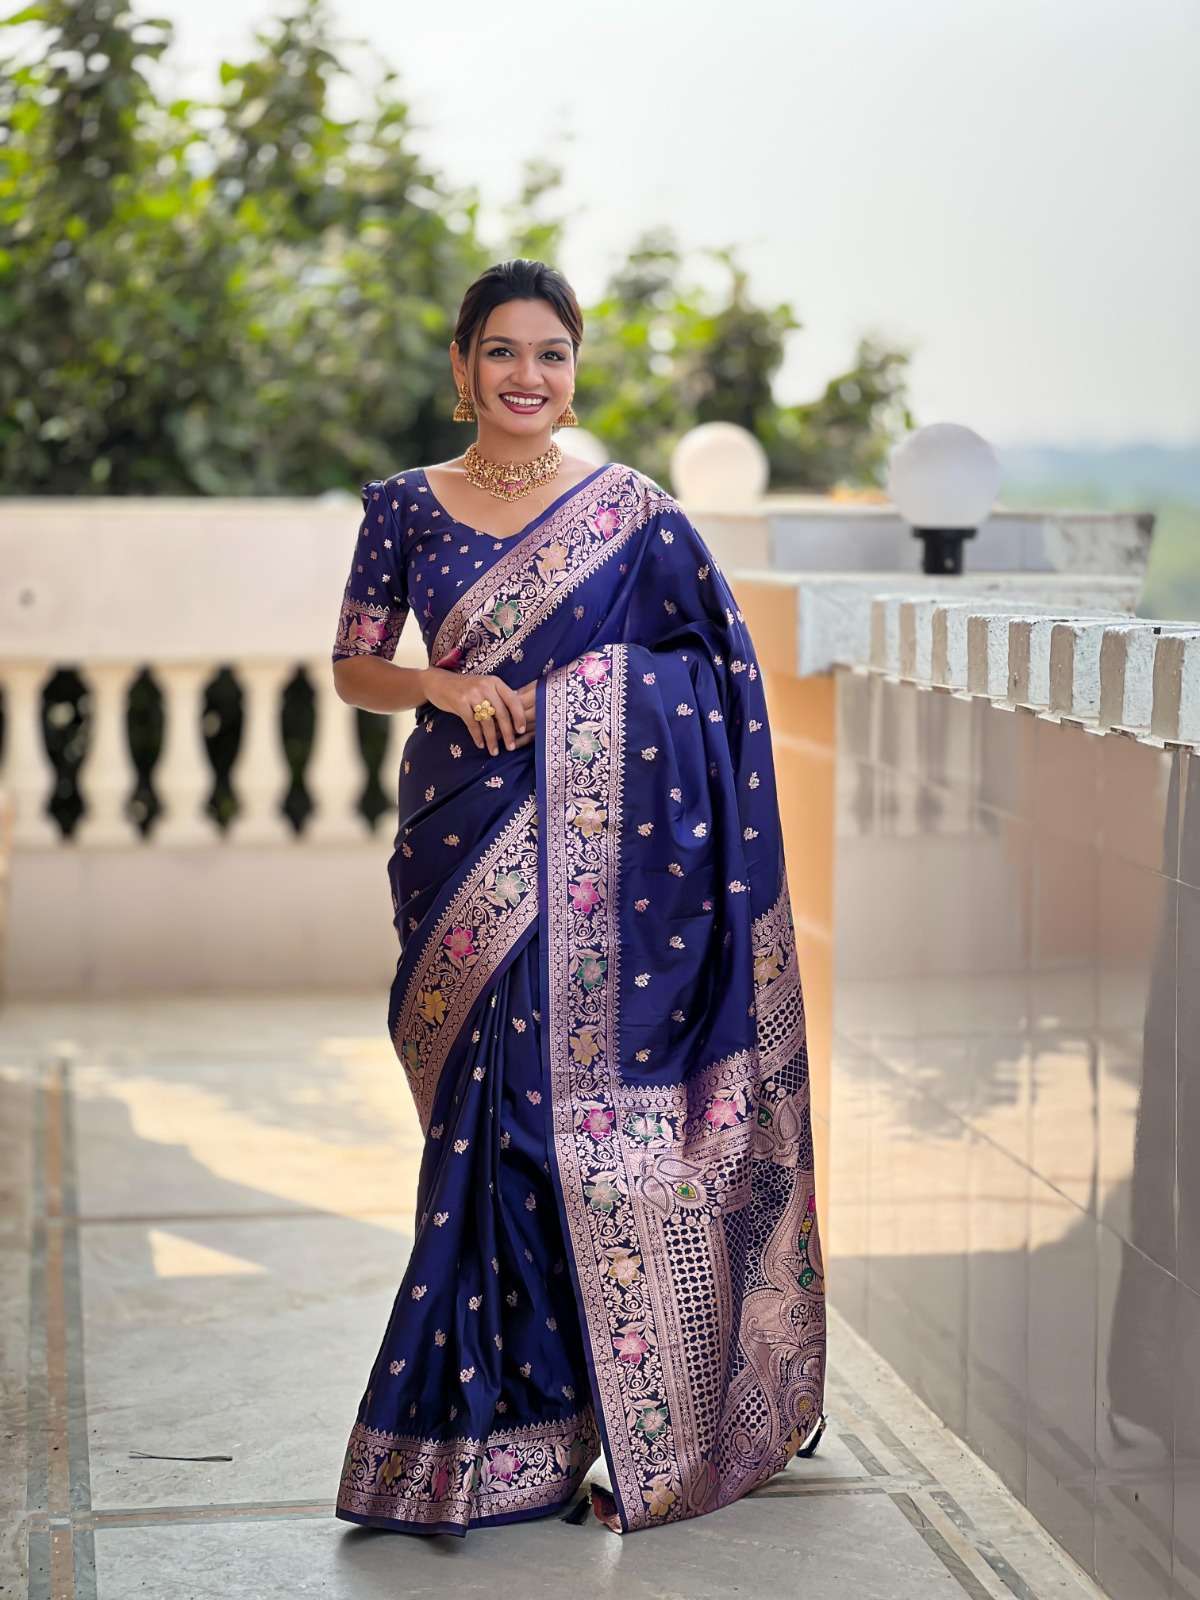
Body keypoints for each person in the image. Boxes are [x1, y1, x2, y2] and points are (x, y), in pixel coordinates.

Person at [330, 258, 827, 1537]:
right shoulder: (404, 506)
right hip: (461, 838)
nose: (527, 376)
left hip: (603, 871)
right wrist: (443, 685)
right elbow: (355, 666)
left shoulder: (635, 514)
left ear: (574, 369)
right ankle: (490, 1438)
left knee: (549, 1132)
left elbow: (715, 669)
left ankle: (573, 1426)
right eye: (502, 351)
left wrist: (586, 706)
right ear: (461, 368)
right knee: (475, 1130)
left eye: (551, 354)